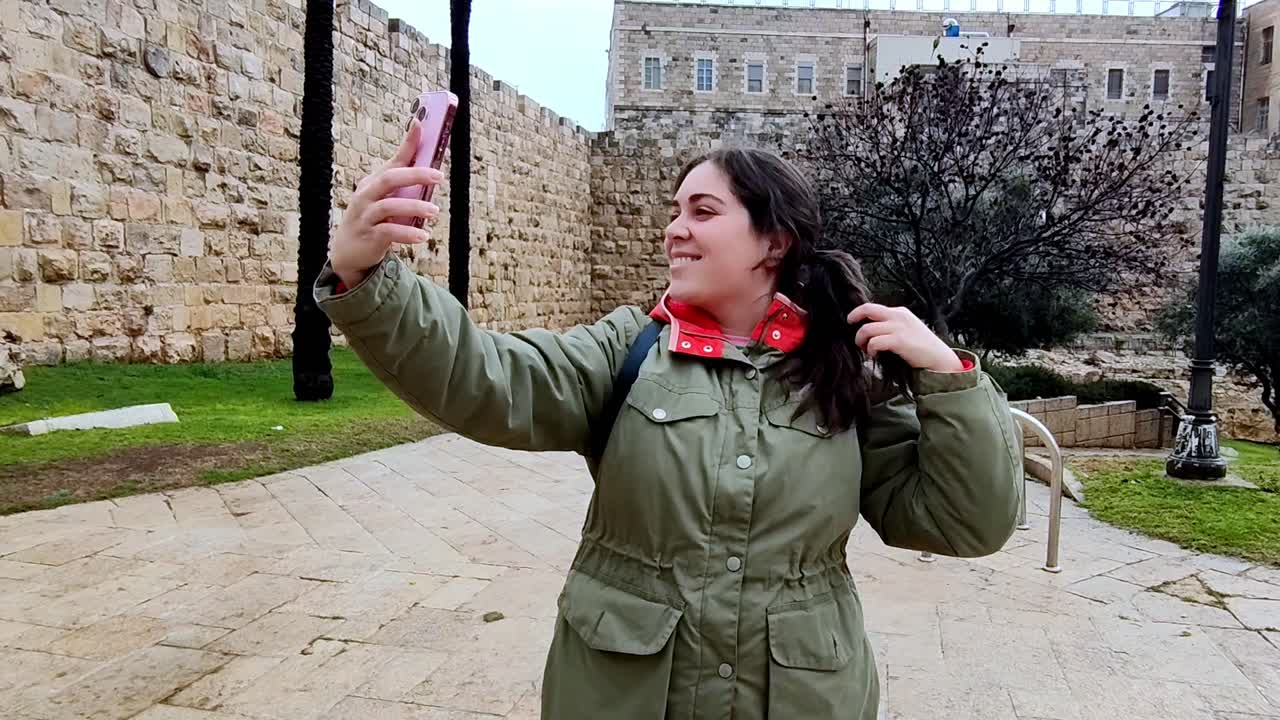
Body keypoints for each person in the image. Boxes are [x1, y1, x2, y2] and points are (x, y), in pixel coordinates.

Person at [315, 121, 1023, 720]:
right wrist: (366, 274)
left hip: (804, 694)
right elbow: (485, 376)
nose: (673, 230)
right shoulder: (628, 349)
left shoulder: (843, 375)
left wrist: (948, 379)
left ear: (773, 242)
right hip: (624, 692)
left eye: (703, 212)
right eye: (675, 210)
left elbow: (964, 522)